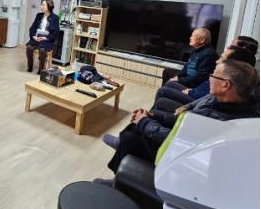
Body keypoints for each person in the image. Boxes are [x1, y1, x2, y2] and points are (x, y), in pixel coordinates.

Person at [103, 60, 259, 175]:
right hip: (185, 140)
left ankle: (119, 181)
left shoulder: (217, 119)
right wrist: (153, 115)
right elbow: (186, 121)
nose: (209, 78)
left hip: (181, 156)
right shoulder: (223, 99)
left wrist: (144, 122)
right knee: (143, 120)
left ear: (226, 85)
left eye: (213, 75)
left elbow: (176, 140)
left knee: (131, 137)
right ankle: (123, 144)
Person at [152, 45, 256, 112]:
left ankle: (151, 114)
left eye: (222, 58)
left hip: (195, 97)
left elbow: (205, 91)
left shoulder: (223, 79)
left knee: (163, 92)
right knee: (169, 83)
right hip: (196, 94)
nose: (217, 61)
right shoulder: (224, 80)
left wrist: (191, 92)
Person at [25, 0, 59, 73]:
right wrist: (33, 36)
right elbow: (32, 28)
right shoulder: (39, 15)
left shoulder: (55, 18)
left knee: (42, 50)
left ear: (49, 6)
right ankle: (30, 66)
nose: (41, 7)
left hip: (47, 40)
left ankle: (41, 69)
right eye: (41, 5)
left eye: (43, 5)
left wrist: (45, 38)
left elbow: (55, 33)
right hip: (37, 37)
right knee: (29, 48)